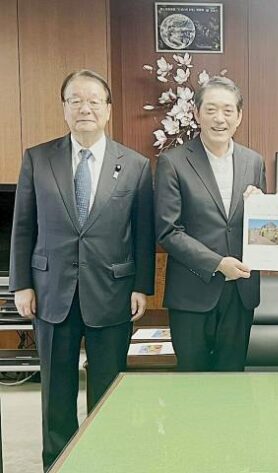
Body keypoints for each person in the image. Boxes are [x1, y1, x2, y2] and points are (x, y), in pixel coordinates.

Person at [9, 69, 155, 470]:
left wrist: (141, 286)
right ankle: (57, 463)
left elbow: (143, 232)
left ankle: (105, 461)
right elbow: (23, 226)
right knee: (56, 390)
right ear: (64, 109)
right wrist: (21, 284)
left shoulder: (136, 165)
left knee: (108, 388)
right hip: (50, 291)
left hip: (112, 291)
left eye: (93, 101)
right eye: (75, 100)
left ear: (108, 109)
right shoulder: (38, 158)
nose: (84, 108)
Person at [154, 76, 265, 372]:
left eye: (228, 110)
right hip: (192, 291)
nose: (220, 118)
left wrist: (274, 204)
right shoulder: (173, 162)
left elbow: (260, 227)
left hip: (240, 293)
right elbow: (168, 230)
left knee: (232, 380)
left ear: (239, 116)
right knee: (193, 382)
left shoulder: (254, 162)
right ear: (196, 113)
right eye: (211, 109)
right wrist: (217, 263)